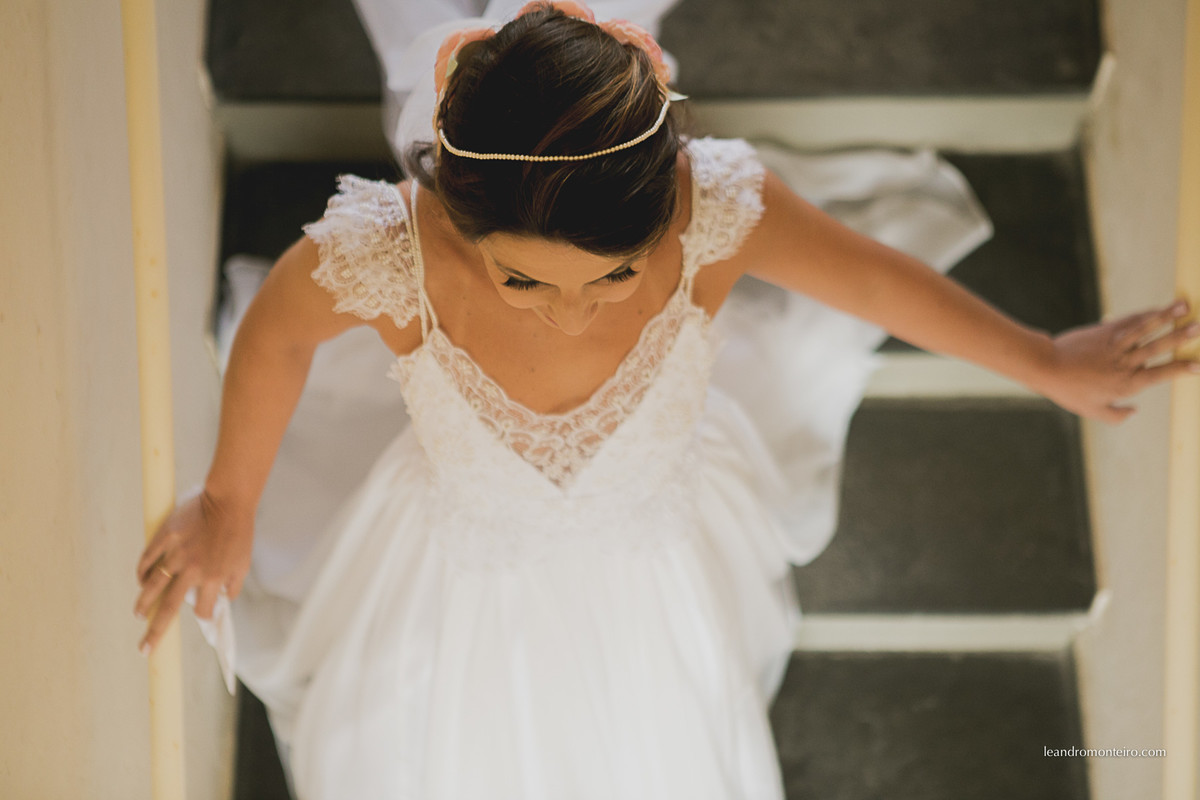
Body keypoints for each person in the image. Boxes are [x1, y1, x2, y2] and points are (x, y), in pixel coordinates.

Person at [134, 2, 1199, 797]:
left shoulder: (716, 209)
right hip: (459, 549)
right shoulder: (393, 251)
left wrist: (1045, 357)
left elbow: (871, 279)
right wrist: (230, 500)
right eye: (525, 280)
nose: (568, 311)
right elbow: (275, 334)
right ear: (457, 220)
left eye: (614, 276)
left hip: (650, 533)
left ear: (668, 208)